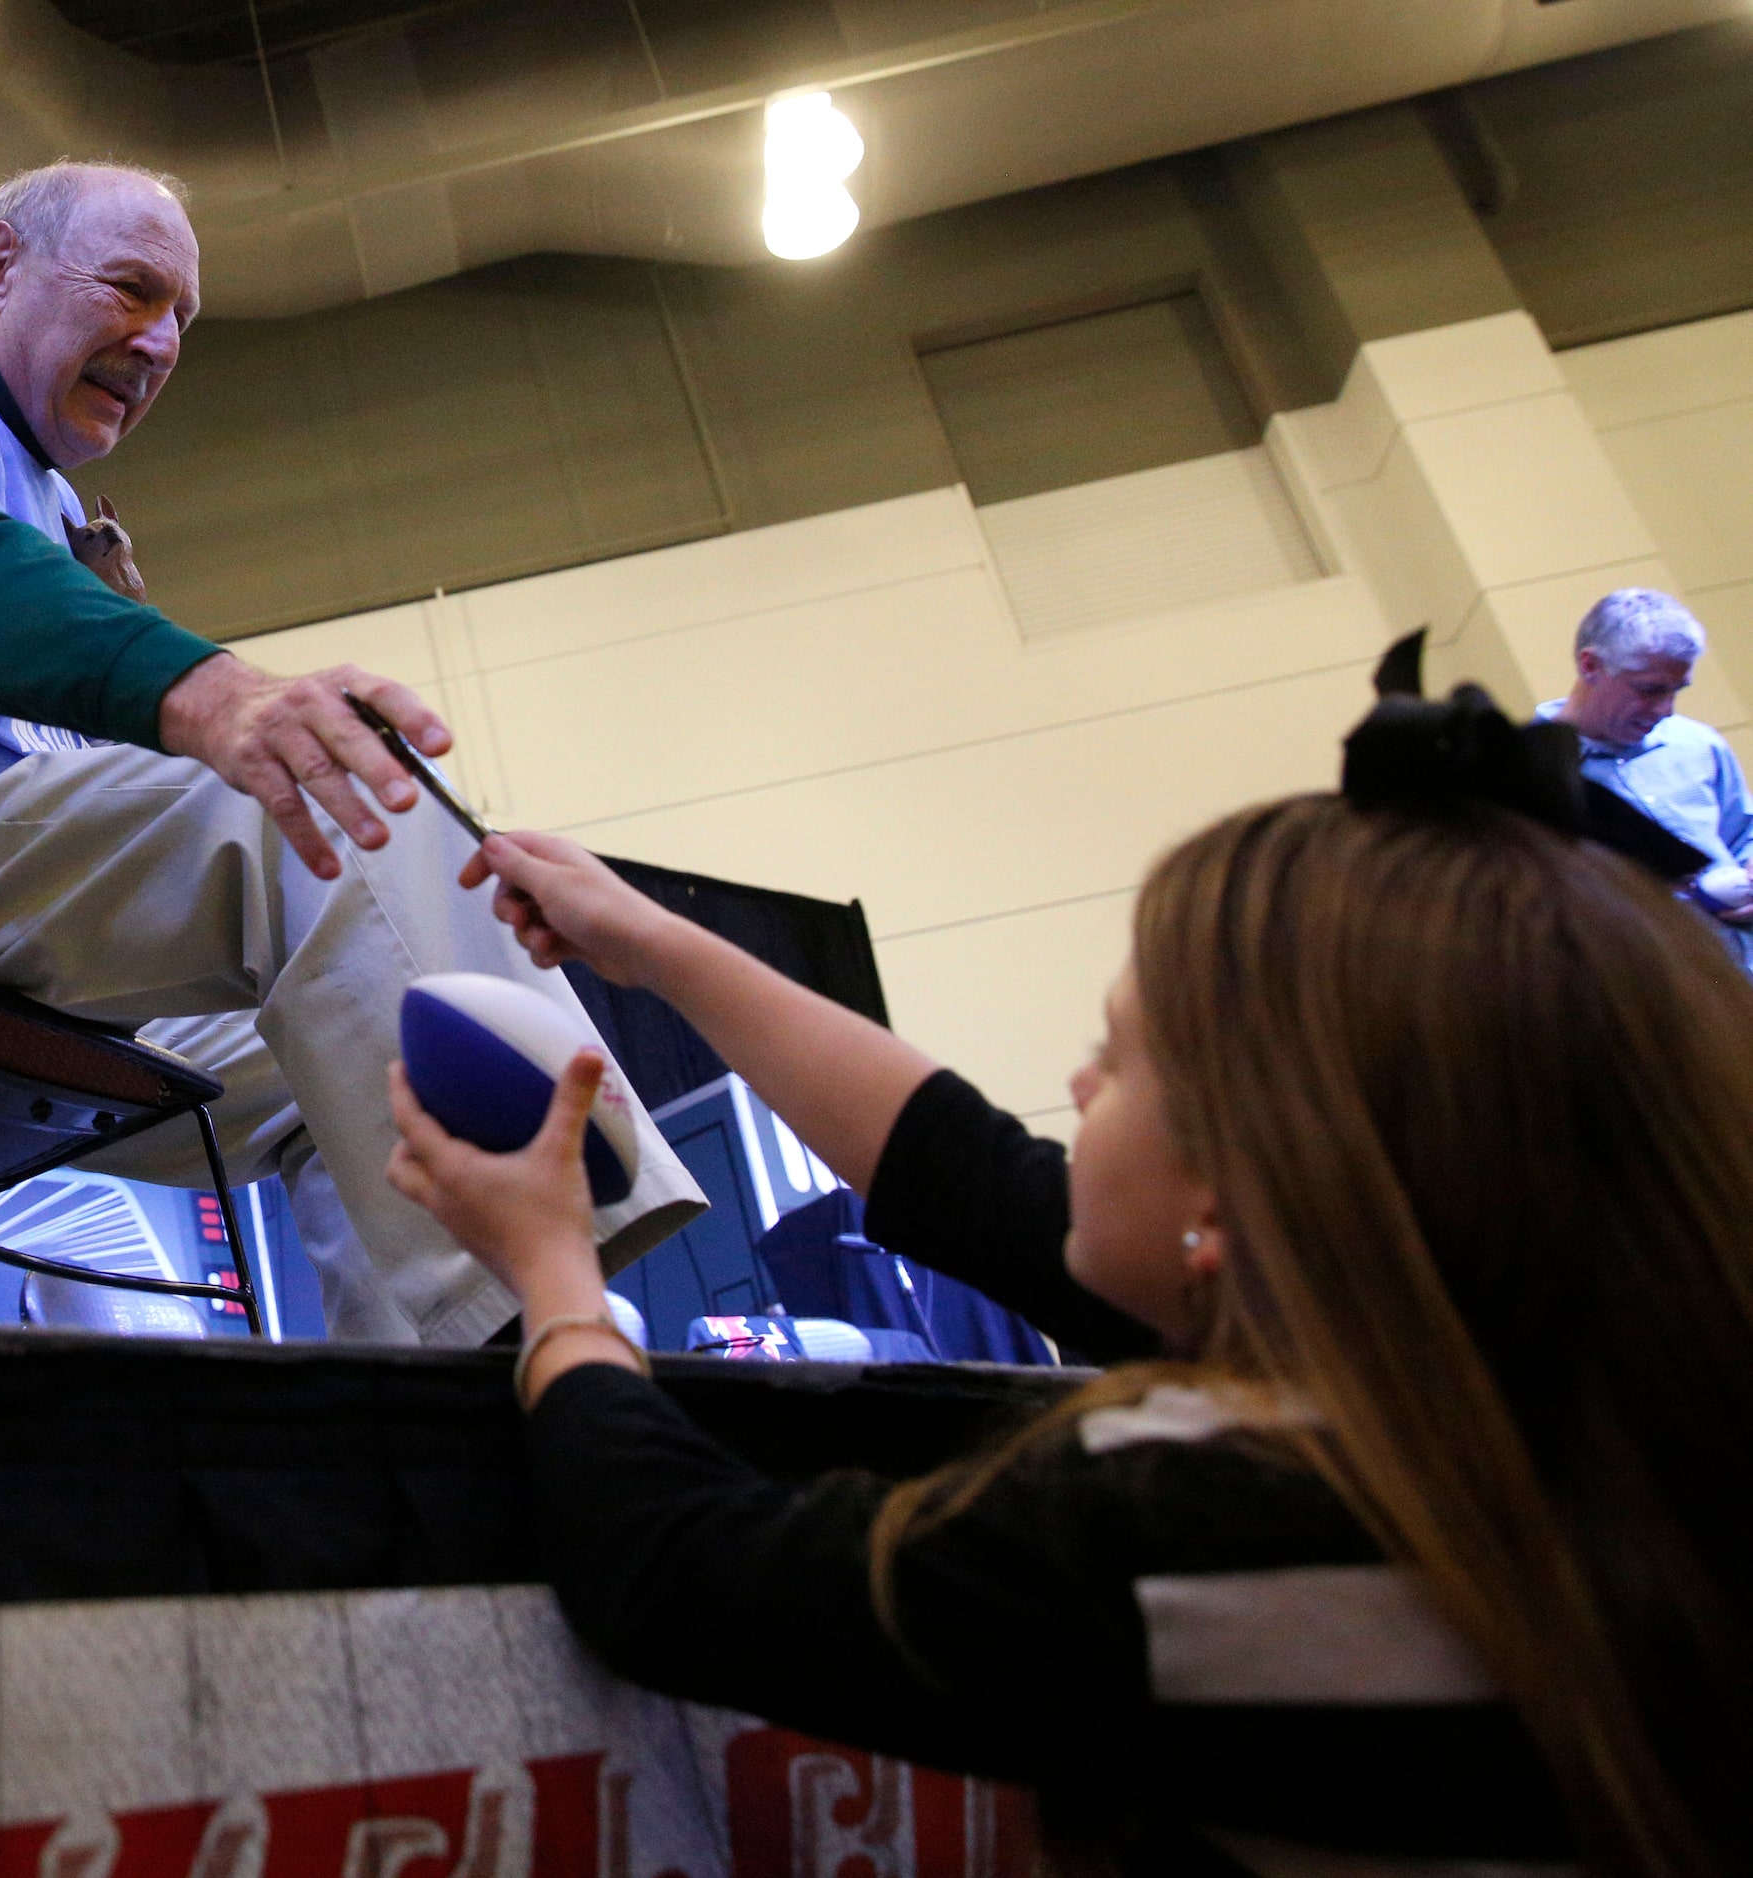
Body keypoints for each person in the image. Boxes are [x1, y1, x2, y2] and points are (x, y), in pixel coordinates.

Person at [383, 689, 1753, 1874]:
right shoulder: (1585, 1428)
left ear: (1248, 1178)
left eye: (1122, 1057)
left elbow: (675, 1576)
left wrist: (553, 1271)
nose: (1080, 1086)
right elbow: (970, 1176)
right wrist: (654, 944)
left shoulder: (1202, 1517)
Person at [0, 160, 700, 1344]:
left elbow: (40, 750)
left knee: (363, 1059)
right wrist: (211, 696)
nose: (162, 341)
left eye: (183, 318)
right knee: (304, 803)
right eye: (131, 288)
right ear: (0, 267)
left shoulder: (37, 498)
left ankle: (453, 1426)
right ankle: (567, 1330)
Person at [1540, 587, 1753, 971]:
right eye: (1649, 690)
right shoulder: (1529, 772)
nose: (1666, 710)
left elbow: (1743, 837)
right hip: (1654, 1001)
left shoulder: (1698, 745)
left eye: (1676, 690)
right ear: (1590, 666)